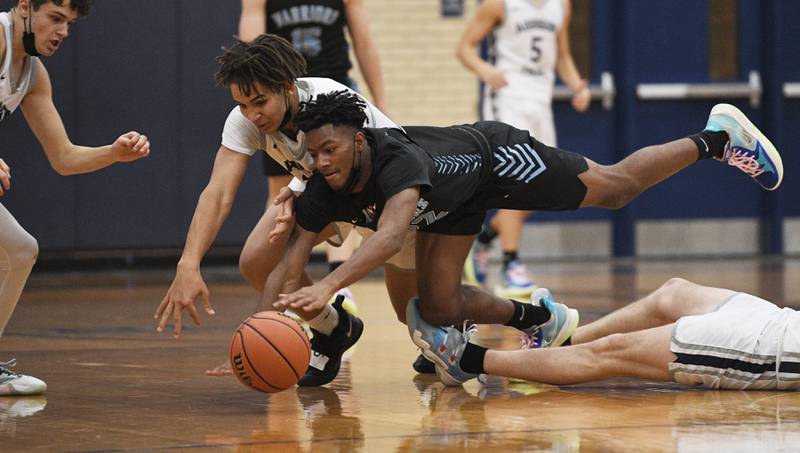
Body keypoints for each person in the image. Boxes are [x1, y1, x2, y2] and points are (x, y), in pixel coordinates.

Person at [265, 91, 782, 371]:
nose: (322, 161)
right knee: (439, 308)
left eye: (330, 149)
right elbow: (290, 264)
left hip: (496, 160)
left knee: (617, 187)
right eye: (313, 153)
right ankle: (539, 317)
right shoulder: (322, 184)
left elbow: (391, 237)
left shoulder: (394, 161)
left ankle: (716, 137)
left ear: (358, 141)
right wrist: (268, 325)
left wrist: (329, 286)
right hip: (452, 204)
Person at [154, 34, 421, 385]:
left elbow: (356, 172)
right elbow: (218, 193)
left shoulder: (327, 101)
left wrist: (297, 192)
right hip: (327, 195)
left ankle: (455, 329)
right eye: (242, 104)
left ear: (287, 87)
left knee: (413, 315)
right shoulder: (245, 121)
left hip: (389, 196)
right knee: (256, 261)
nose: (251, 114)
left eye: (259, 102)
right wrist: (188, 263)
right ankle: (334, 327)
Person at [0, 0, 151, 396]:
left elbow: (64, 158)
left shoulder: (32, 75)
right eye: (55, 18)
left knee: (19, 250)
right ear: (24, 7)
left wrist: (113, 153)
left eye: (69, 23)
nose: (63, 31)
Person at [239, 0, 388, 300]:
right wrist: (255, 91)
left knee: (345, 184)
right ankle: (282, 272)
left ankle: (340, 284)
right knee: (281, 191)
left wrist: (380, 102)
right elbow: (250, 48)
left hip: (333, 94)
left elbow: (364, 42)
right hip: (283, 98)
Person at [409, 278, 800, 390]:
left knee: (615, 351)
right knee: (673, 293)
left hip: (774, 350)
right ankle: (559, 336)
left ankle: (467, 361)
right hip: (783, 320)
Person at [456, 0, 591, 298]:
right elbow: (464, 48)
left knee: (545, 184)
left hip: (540, 102)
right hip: (508, 98)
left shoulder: (561, 6)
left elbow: (562, 56)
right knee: (516, 180)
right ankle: (510, 265)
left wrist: (576, 87)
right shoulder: (499, 4)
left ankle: (486, 236)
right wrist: (485, 70)